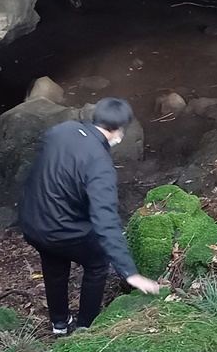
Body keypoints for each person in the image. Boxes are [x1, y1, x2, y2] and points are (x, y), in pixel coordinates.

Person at [19, 97, 160, 334]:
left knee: (54, 264)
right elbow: (106, 222)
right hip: (61, 229)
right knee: (97, 263)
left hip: (34, 221)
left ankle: (59, 324)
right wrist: (130, 273)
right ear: (118, 130)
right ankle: (86, 326)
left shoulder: (63, 130)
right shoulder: (100, 164)